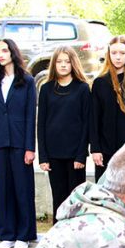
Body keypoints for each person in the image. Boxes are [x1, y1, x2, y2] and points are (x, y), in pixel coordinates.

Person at [0, 39, 37, 248]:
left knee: (22, 189)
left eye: (5, 51)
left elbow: (30, 116)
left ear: (13, 52)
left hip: (20, 141)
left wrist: (29, 148)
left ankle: (24, 235)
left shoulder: (27, 81)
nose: (1, 55)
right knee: (3, 188)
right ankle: (6, 234)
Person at [38, 45, 92, 221]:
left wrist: (81, 155)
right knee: (59, 197)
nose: (63, 65)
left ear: (73, 63)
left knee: (76, 198)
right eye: (59, 61)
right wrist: (43, 157)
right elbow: (41, 124)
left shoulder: (82, 89)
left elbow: (86, 124)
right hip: (53, 155)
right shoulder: (46, 89)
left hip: (75, 156)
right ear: (54, 64)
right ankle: (57, 235)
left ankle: (76, 235)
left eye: (67, 61)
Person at [89, 35, 125, 181]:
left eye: (122, 53)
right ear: (108, 54)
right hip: (105, 151)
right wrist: (95, 149)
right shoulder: (100, 83)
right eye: (114, 53)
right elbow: (93, 119)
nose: (118, 57)